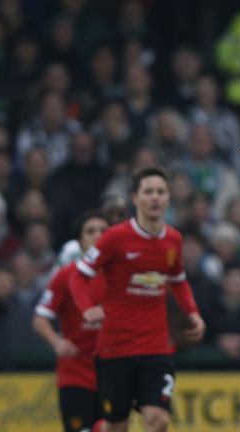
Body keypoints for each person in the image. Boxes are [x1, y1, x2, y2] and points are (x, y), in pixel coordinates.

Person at [70, 167, 206, 432]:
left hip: (157, 347)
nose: (155, 197)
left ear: (168, 198)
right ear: (135, 198)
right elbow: (79, 276)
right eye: (148, 192)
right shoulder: (114, 238)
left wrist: (193, 312)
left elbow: (178, 280)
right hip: (116, 348)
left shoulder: (173, 239)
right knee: (117, 426)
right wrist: (86, 308)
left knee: (159, 420)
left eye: (161, 192)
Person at [32, 210, 110, 432]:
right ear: (80, 241)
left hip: (113, 371)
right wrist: (56, 341)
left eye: (103, 230)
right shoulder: (66, 276)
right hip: (76, 373)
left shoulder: (121, 275)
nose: (98, 235)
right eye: (90, 231)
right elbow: (40, 318)